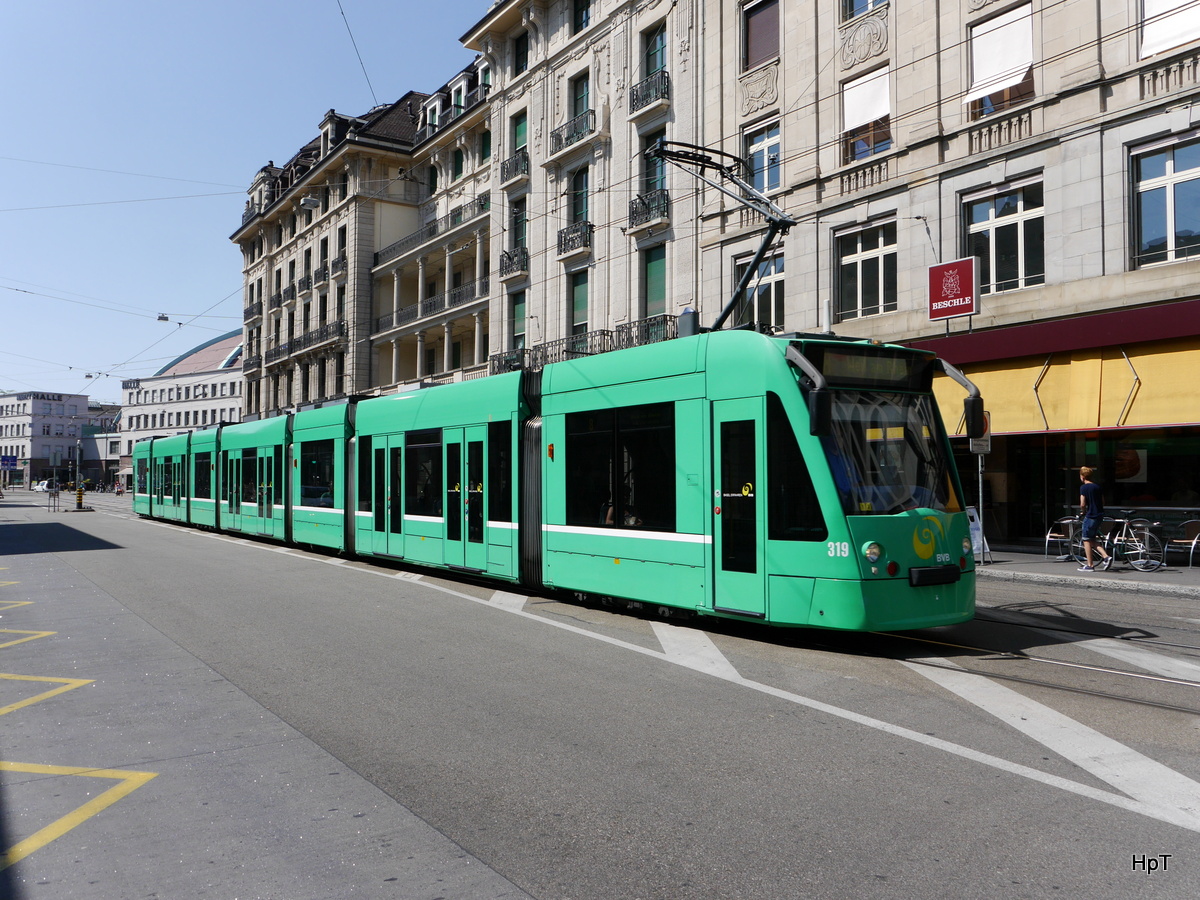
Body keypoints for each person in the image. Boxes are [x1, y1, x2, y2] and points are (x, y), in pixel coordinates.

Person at [1078, 466, 1112, 572]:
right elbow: (1103, 502)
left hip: (1090, 516)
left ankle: (1090, 565)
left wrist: (1083, 511)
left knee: (1086, 540)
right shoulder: (1097, 487)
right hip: (1099, 515)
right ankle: (1106, 557)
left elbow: (1082, 504)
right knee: (1092, 539)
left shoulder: (1083, 488)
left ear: (1082, 476)